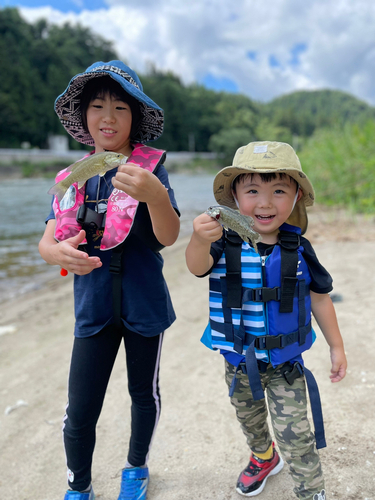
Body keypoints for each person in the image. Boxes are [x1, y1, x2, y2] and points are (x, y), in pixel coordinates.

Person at [39, 60, 180, 500]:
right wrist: (55, 252)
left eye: (121, 107)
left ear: (134, 118)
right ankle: (78, 486)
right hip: (94, 309)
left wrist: (155, 196)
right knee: (80, 410)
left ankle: (136, 468)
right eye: (98, 106)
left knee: (144, 395)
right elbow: (47, 241)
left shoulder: (149, 170)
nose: (108, 116)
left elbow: (168, 235)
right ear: (83, 118)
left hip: (144, 304)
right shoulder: (73, 177)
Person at [185, 141, 347, 500]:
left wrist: (337, 346)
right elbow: (196, 267)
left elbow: (319, 298)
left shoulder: (299, 248)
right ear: (234, 196)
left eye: (278, 191)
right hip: (237, 361)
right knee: (251, 421)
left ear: (296, 196)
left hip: (285, 364)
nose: (265, 202)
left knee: (297, 434)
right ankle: (263, 456)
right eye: (253, 190)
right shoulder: (222, 242)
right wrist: (197, 238)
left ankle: (311, 491)